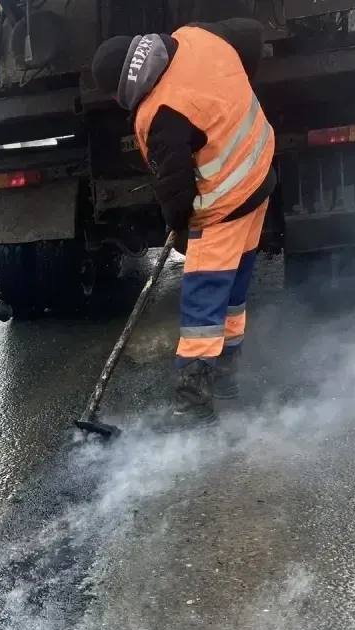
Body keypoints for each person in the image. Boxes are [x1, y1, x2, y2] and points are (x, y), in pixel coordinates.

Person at [92, 20, 274, 422]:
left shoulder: (161, 113)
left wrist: (177, 226)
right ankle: (226, 378)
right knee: (233, 291)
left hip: (224, 205)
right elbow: (249, 32)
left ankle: (194, 405)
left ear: (121, 87)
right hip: (258, 175)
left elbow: (175, 190)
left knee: (202, 303)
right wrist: (234, 100)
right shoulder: (195, 37)